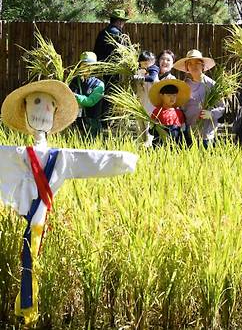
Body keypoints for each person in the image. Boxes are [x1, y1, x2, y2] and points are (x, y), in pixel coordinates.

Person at [0, 79, 137, 325]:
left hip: (40, 220)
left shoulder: (62, 158)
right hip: (33, 219)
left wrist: (125, 160)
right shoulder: (15, 155)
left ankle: (29, 309)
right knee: (30, 255)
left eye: (48, 105)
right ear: (25, 110)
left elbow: (94, 160)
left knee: (34, 255)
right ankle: (27, 310)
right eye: (36, 103)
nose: (41, 111)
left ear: (55, 112)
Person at [173, 49, 226, 147]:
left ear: (203, 66)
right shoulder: (184, 85)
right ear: (187, 68)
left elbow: (222, 107)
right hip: (188, 131)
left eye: (197, 63)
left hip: (206, 133)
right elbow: (179, 106)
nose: (194, 66)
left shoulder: (212, 85)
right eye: (190, 63)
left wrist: (211, 114)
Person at [93, 9, 130, 126]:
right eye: (123, 22)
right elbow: (125, 54)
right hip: (115, 70)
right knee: (112, 94)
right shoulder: (119, 35)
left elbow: (96, 51)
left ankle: (103, 119)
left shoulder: (102, 33)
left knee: (104, 92)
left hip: (102, 68)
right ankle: (108, 120)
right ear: (119, 22)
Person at [69, 52, 104, 138]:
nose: (86, 68)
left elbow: (90, 102)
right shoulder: (74, 81)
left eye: (89, 65)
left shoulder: (99, 85)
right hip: (76, 122)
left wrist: (74, 96)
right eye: (83, 64)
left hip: (92, 124)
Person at [148, 79, 191, 146]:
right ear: (161, 96)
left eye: (174, 96)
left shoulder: (179, 113)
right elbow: (151, 129)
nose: (172, 98)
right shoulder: (157, 111)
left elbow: (183, 129)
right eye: (168, 95)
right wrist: (155, 128)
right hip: (160, 143)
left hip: (176, 143)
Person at [133, 51, 160, 145]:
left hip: (151, 105)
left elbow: (152, 78)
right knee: (140, 127)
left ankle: (149, 146)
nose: (146, 64)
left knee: (149, 127)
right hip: (141, 103)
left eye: (148, 62)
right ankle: (141, 146)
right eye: (143, 62)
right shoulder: (139, 70)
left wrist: (140, 77)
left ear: (153, 61)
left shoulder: (153, 69)